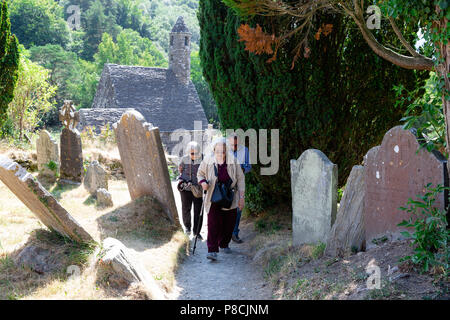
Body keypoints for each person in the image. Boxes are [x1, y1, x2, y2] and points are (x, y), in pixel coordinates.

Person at [197, 137, 245, 261]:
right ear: (214, 150)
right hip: (213, 195)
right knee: (213, 222)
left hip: (229, 195)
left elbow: (240, 179)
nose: (220, 153)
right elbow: (200, 173)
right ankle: (212, 250)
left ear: (226, 150)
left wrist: (241, 198)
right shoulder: (208, 160)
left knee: (229, 222)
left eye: (223, 151)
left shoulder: (233, 161)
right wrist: (203, 183)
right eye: (218, 150)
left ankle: (224, 244)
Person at [227, 134, 251, 244]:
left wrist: (242, 170)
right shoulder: (225, 150)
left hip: (239, 183)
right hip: (227, 184)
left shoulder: (245, 150)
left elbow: (248, 167)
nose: (234, 147)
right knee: (226, 208)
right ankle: (225, 234)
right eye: (232, 145)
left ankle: (235, 233)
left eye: (236, 145)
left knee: (239, 209)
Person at [177, 141, 203, 239]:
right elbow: (180, 171)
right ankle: (187, 228)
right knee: (186, 208)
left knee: (198, 210)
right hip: (186, 188)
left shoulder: (203, 159)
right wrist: (183, 182)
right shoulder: (184, 159)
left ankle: (197, 232)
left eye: (196, 153)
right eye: (192, 153)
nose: (194, 155)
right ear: (188, 152)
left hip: (198, 188)